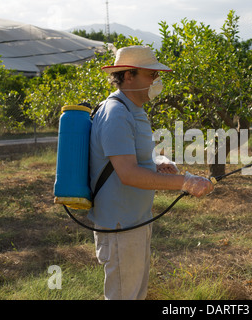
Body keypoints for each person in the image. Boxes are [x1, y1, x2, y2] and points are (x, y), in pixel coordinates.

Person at [88, 45, 214, 300]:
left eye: (157, 75)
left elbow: (128, 161)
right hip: (120, 225)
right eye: (150, 75)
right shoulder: (116, 113)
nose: (156, 81)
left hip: (134, 220)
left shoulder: (133, 110)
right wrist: (185, 182)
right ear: (128, 75)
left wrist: (156, 165)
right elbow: (128, 174)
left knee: (135, 293)